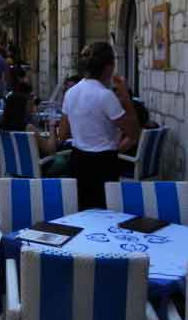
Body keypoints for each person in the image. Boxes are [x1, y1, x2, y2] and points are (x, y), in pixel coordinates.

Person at [58, 42, 139, 209]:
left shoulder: (71, 93)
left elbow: (63, 134)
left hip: (78, 160)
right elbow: (133, 133)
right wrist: (125, 98)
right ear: (108, 68)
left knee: (80, 214)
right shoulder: (105, 96)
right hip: (103, 165)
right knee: (104, 216)